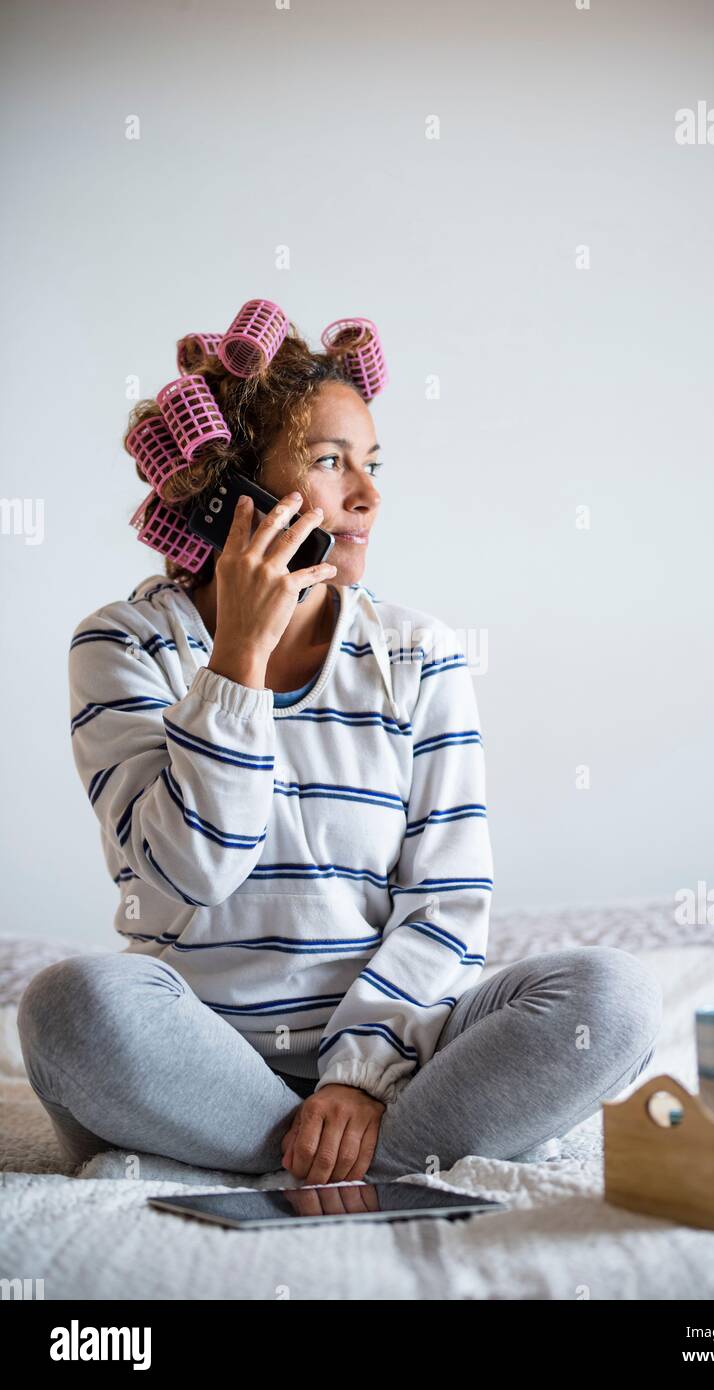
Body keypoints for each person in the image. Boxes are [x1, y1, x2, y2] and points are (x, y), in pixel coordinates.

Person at [17, 326, 663, 1184]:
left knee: (613, 998)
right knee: (70, 1006)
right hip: (200, 1060)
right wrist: (237, 665)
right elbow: (187, 879)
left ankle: (332, 1152)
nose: (367, 497)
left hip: (397, 1060)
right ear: (229, 492)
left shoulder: (416, 653)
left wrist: (359, 1077)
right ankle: (347, 1154)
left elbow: (445, 899)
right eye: (330, 461)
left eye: (373, 465)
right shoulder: (124, 645)